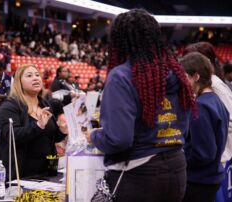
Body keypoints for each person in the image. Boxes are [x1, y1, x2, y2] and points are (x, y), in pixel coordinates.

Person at [84, 9, 195, 202]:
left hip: (137, 173)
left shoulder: (121, 76)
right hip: (177, 167)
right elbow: (184, 128)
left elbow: (118, 139)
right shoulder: (176, 72)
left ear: (119, 41)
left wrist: (94, 136)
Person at [0, 64, 68, 179]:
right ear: (18, 83)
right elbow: (12, 136)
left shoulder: (44, 103)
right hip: (22, 174)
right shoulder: (9, 106)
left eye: (37, 75)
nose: (35, 78)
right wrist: (38, 125)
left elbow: (52, 136)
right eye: (29, 75)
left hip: (47, 172)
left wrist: (63, 130)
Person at [180, 52, 229, 202]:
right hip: (209, 177)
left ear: (196, 76)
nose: (182, 83)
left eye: (185, 77)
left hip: (199, 181)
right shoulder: (215, 100)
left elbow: (203, 153)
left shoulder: (201, 106)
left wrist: (179, 160)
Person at [184, 42, 232, 165]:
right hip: (213, 159)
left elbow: (228, 120)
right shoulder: (205, 90)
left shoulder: (215, 87)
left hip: (217, 159)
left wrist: (220, 151)